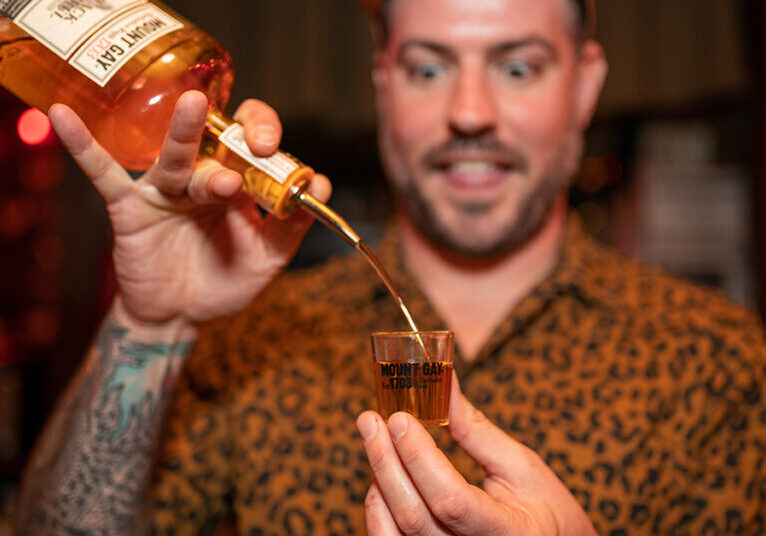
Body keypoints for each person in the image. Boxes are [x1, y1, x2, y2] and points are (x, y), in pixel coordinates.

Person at [15, 0, 766, 534]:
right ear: (382, 84)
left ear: (587, 85)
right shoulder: (253, 344)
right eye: (430, 69)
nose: (471, 111)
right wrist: (153, 326)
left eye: (518, 67)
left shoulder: (725, 364)